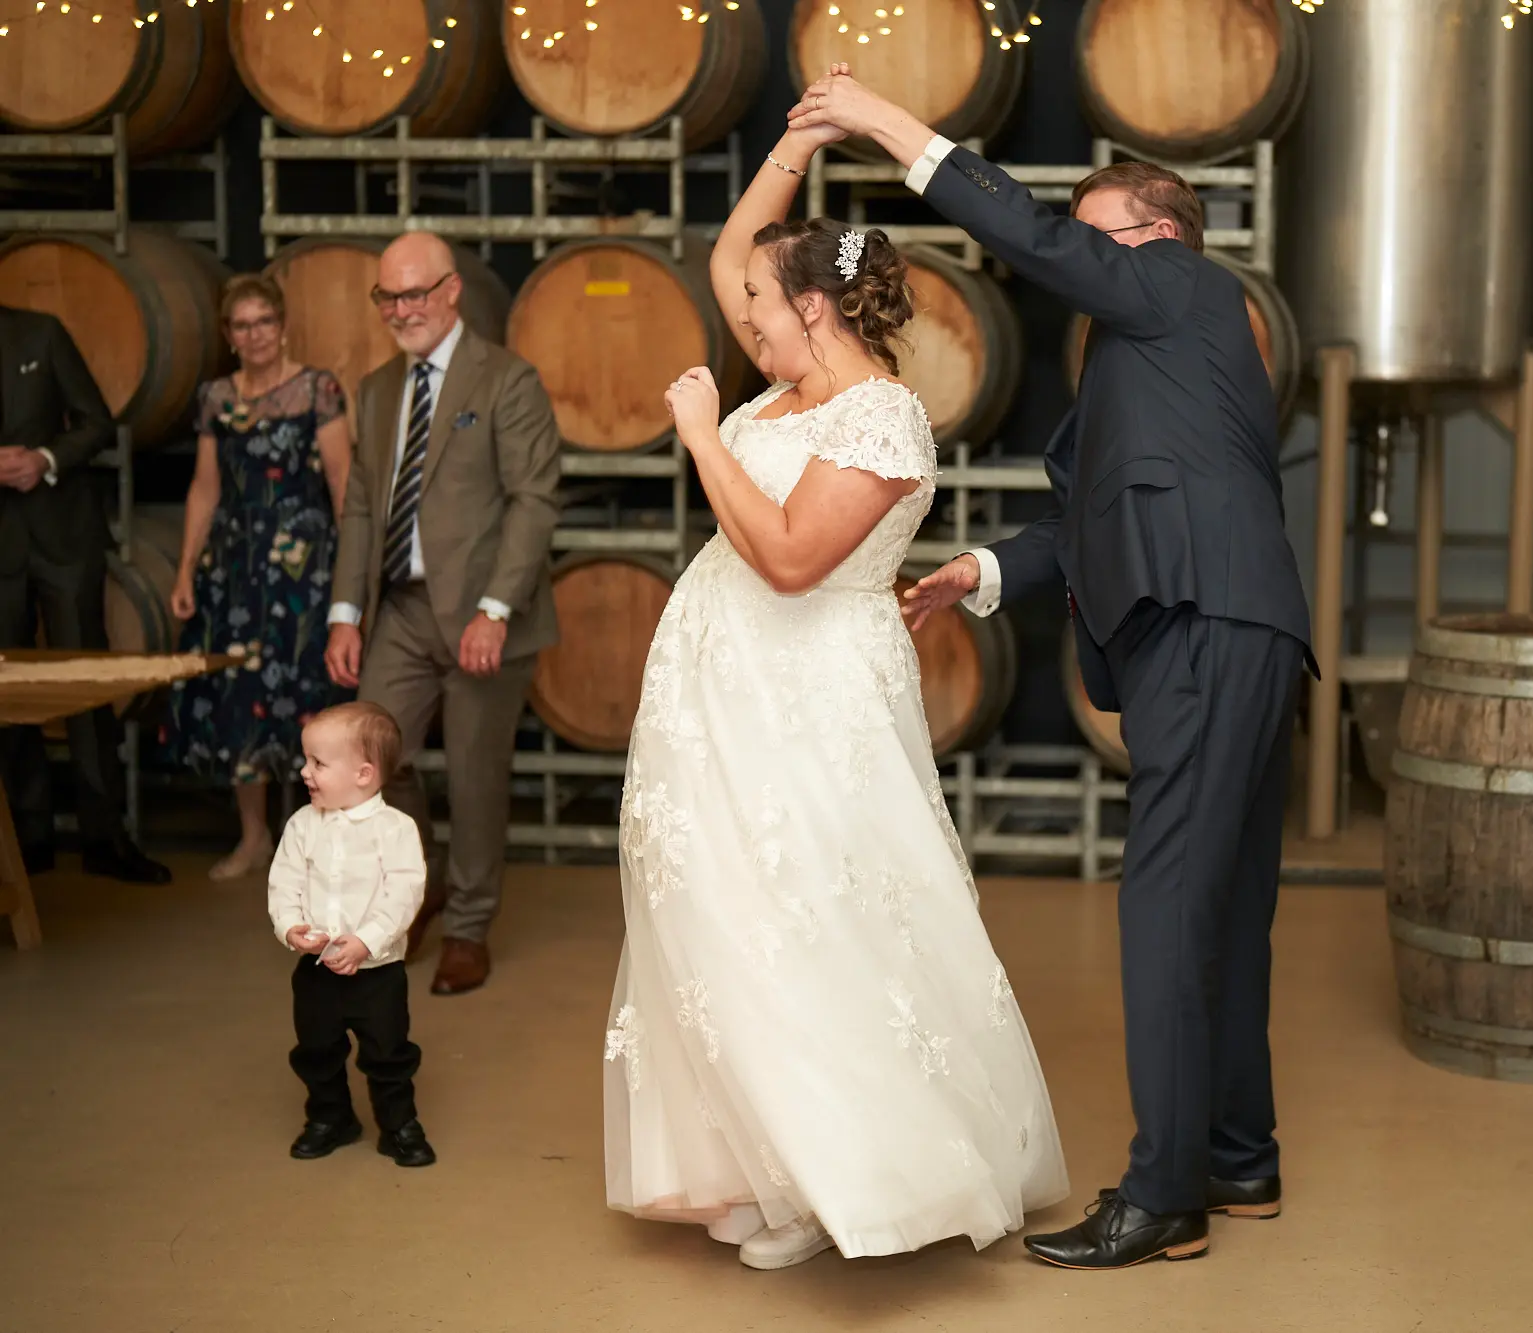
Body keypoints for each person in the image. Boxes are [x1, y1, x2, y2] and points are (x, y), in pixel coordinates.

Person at [791, 70, 1316, 1270]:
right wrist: (978, 571)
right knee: (1224, 906)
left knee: (1165, 907)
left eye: (1093, 238)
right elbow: (1091, 518)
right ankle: (1236, 1156)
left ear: (1156, 236)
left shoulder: (1183, 285)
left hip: (1200, 622)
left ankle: (1163, 1196)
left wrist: (882, 125)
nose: (1072, 260)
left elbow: (1024, 233)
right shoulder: (1154, 357)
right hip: (1237, 622)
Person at [601, 119, 1068, 1272]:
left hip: (809, 704)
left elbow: (789, 559)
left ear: (812, 306)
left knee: (813, 917)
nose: (743, 314)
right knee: (721, 919)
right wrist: (797, 140)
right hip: (717, 705)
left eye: (761, 302)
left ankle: (840, 1183)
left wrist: (702, 439)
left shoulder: (880, 417)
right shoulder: (786, 382)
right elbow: (734, 253)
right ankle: (756, 1163)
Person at [324, 233, 562, 998]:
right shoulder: (377, 389)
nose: (401, 310)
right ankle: (422, 885)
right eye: (387, 297)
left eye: (415, 294)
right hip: (400, 608)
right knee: (373, 760)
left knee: (474, 776)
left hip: (482, 613)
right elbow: (363, 506)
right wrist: (345, 611)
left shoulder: (508, 380)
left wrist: (495, 608)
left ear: (452, 290)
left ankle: (468, 924)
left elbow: (533, 501)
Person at [164, 274, 354, 880]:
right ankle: (254, 839)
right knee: (241, 702)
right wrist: (186, 569)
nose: (256, 334)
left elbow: (343, 484)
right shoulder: (215, 398)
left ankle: (321, 845)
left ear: (283, 326)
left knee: (309, 700)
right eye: (242, 325)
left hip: (305, 569)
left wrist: (353, 581)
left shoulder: (319, 389)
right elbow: (205, 488)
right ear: (229, 335)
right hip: (237, 570)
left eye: (264, 322)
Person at [0, 305, 171, 884]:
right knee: (8, 693)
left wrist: (45, 460)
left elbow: (97, 423)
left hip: (64, 537)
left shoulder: (41, 331)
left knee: (85, 686)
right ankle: (29, 838)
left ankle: (105, 838)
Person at [267, 701, 435, 1169]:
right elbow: (284, 883)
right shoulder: (302, 826)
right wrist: (291, 927)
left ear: (363, 774)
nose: (305, 772)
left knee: (388, 1052)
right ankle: (330, 1116)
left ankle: (398, 1125)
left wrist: (366, 940)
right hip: (317, 969)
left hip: (377, 973)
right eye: (306, 760)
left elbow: (403, 893)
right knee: (316, 1049)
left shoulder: (395, 830)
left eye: (318, 763)